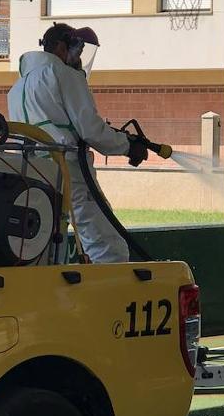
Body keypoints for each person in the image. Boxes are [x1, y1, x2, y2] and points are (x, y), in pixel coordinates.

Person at [8, 23, 148, 263]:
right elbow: (90, 129)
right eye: (77, 51)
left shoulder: (17, 88)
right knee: (107, 243)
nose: (79, 59)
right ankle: (109, 286)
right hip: (68, 169)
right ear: (61, 47)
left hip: (32, 171)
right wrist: (127, 146)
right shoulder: (62, 74)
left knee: (46, 239)